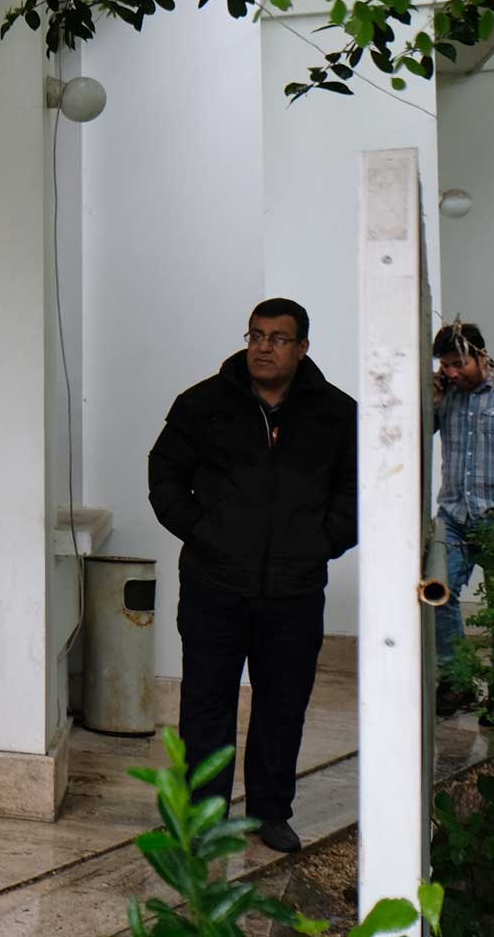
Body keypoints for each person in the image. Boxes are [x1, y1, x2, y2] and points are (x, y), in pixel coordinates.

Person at [148, 298, 357, 854]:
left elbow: (357, 494)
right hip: (214, 585)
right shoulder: (202, 405)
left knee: (282, 704)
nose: (264, 347)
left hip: (294, 590)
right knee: (206, 704)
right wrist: (203, 531)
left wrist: (321, 544)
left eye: (279, 338)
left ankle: (270, 812)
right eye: (257, 335)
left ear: (303, 347)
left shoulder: (337, 414)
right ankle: (201, 817)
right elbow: (165, 475)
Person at [431, 322, 494, 716]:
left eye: (458, 363)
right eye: (445, 365)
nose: (451, 372)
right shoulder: (445, 394)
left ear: (480, 355)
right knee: (436, 593)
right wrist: (427, 400)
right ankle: (458, 681)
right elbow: (413, 436)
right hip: (454, 514)